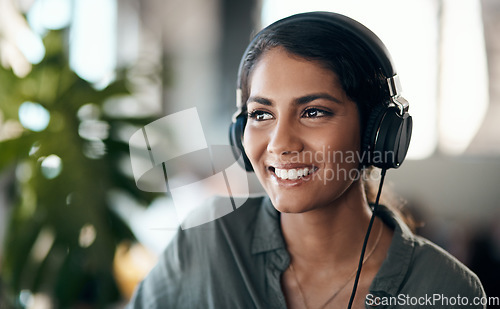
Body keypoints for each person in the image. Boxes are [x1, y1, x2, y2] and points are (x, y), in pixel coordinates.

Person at [127, 12, 485, 309]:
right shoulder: (210, 240)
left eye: (314, 112)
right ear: (240, 130)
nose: (280, 144)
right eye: (262, 114)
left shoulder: (447, 290)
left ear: (379, 132)